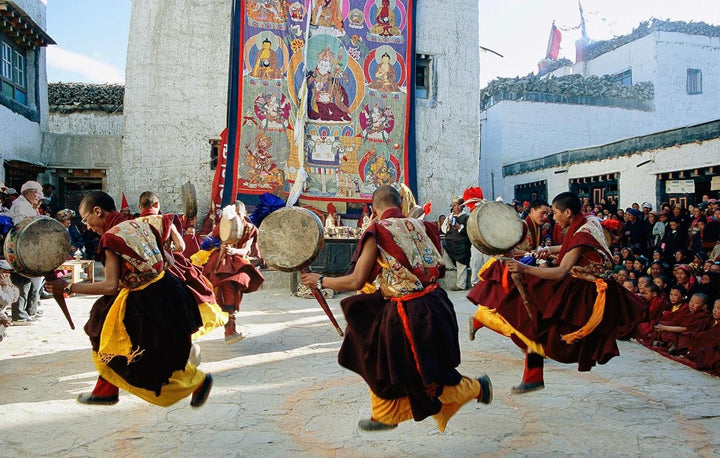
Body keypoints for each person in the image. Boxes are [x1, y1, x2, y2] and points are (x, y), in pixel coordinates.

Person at [300, 185, 492, 433]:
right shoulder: (425, 226)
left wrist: (320, 281)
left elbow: (356, 281)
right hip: (438, 305)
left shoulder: (378, 230)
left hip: (409, 313)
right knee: (395, 360)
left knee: (404, 368)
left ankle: (475, 388)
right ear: (401, 205)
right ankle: (385, 412)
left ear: (372, 209)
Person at [467, 192, 646, 394]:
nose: (552, 218)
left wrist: (523, 268)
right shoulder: (589, 221)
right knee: (537, 321)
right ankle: (532, 375)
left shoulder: (582, 234)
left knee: (544, 328)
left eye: (554, 213)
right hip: (581, 284)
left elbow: (561, 271)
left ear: (568, 212)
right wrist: (550, 249)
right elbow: (575, 248)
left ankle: (486, 324)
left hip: (584, 294)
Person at [46, 191, 213, 407]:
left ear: (98, 211)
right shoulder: (142, 225)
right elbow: (169, 260)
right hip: (171, 292)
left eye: (87, 220)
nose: (87, 226)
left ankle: (197, 382)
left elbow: (109, 285)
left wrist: (68, 286)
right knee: (104, 330)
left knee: (142, 358)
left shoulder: (111, 238)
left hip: (147, 302)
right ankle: (105, 389)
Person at [192, 201, 264, 344]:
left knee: (235, 287)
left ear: (244, 214)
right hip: (219, 262)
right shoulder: (224, 224)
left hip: (237, 263)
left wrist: (234, 251)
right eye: (234, 212)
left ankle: (229, 327)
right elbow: (210, 240)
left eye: (239, 213)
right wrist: (213, 243)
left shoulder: (250, 229)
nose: (235, 215)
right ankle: (229, 330)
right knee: (218, 293)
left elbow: (246, 250)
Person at [8, 180, 45, 324]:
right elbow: (21, 228)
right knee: (23, 281)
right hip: (21, 248)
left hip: (29, 247)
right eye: (37, 193)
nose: (39, 197)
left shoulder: (27, 205)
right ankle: (19, 314)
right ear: (28, 192)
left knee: (33, 280)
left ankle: (29, 310)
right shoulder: (20, 206)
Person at [441, 196, 471, 291]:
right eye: (454, 205)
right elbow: (443, 229)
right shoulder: (450, 217)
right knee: (442, 246)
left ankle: (461, 285)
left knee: (461, 263)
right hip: (450, 242)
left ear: (462, 207)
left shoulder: (466, 217)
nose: (456, 207)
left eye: (458, 205)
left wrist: (460, 227)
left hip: (462, 244)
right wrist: (448, 225)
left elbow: (469, 230)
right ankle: (449, 267)